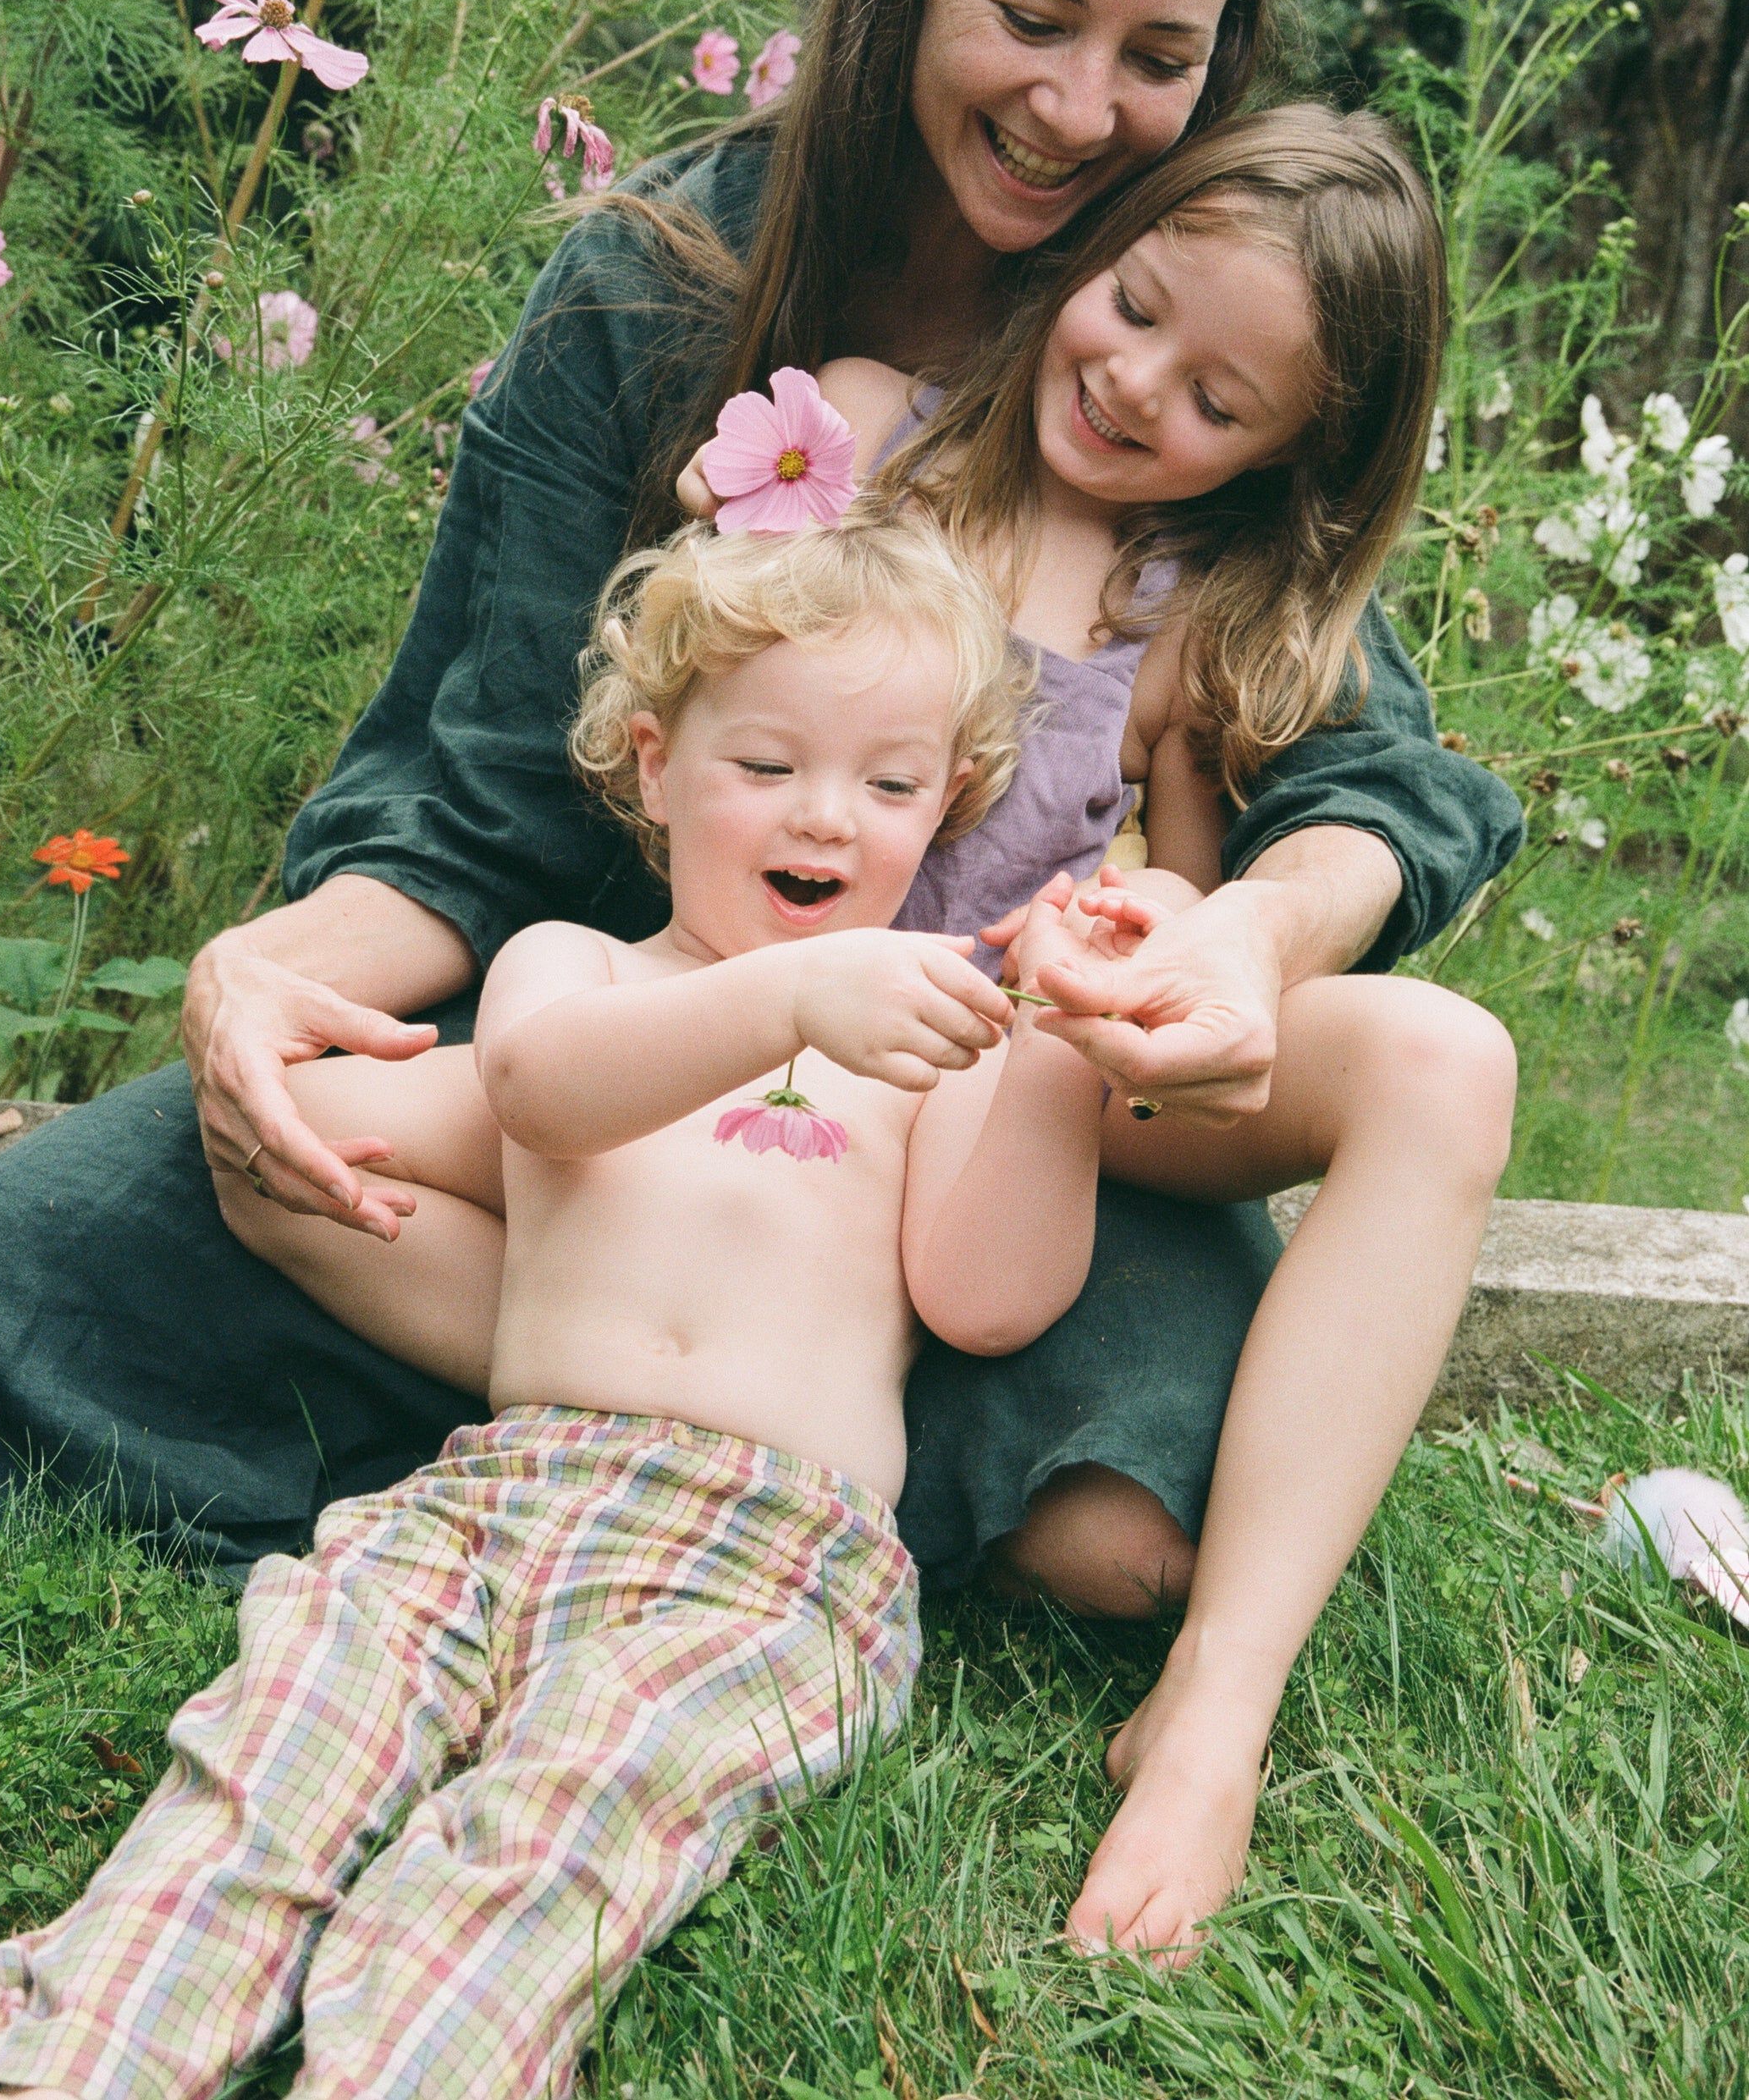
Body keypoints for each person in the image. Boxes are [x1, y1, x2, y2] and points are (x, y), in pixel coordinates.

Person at [0, 0, 1523, 1937]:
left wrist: (1249, 939)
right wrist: (268, 974)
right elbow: (486, 788)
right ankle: (702, 1421)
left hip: (997, 1118)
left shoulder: (1199, 288)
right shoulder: (668, 285)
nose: (1079, 108)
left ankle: (1153, 1682)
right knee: (95, 1232)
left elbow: (1380, 770)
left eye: (1157, 55)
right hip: (654, 1068)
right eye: (1031, 16)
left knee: (1155, 1503)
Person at [229, 102, 1519, 1959]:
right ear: (1095, 240)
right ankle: (677, 1391)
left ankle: (1211, 1710)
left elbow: (1174, 894)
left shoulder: (1192, 617)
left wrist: (1154, 933)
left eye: (1222, 400)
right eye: (1137, 303)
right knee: (292, 1132)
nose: (1143, 385)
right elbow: (712, 648)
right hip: (741, 1029)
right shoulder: (850, 435)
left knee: (1444, 1058)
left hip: (993, 1069)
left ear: (1293, 449)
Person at [0, 515, 1114, 2100]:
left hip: (769, 1560)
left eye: (888, 782)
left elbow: (987, 1298)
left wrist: (1064, 1046)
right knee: (285, 1737)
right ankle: (85, 2048)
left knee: (559, 1822)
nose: (827, 815)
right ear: (655, 767)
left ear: (949, 803)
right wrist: (790, 1001)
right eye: (770, 763)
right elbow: (537, 1092)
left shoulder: (940, 1043)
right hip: (491, 1495)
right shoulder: (575, 968)